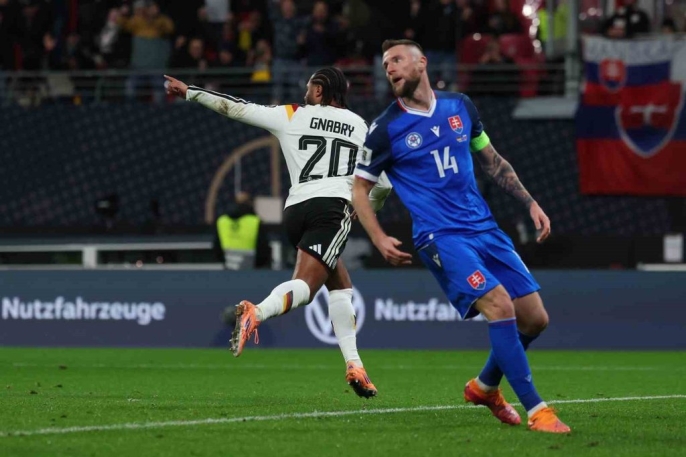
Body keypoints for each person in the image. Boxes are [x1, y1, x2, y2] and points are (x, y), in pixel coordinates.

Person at [351, 39, 570, 433]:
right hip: (441, 236)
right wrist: (379, 237)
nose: (390, 68)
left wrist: (530, 202)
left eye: (397, 60)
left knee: (535, 319)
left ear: (421, 62)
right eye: (385, 64)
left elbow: (493, 162)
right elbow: (359, 190)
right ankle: (537, 409)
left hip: (484, 227)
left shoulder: (461, 107)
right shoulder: (384, 128)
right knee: (500, 305)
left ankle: (484, 387)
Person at [164, 67, 392, 398]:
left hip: (296, 210)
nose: (304, 92)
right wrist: (367, 206)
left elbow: (236, 107)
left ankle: (355, 365)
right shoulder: (360, 126)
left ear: (319, 90)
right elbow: (383, 184)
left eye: (308, 86)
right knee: (307, 288)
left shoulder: (293, 114)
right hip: (332, 208)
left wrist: (191, 92)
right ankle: (256, 311)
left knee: (340, 285)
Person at [213, 191, 271, 270]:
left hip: (228, 271)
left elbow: (217, 250)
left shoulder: (222, 221)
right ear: (250, 204)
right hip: (251, 272)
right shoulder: (255, 222)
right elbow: (263, 251)